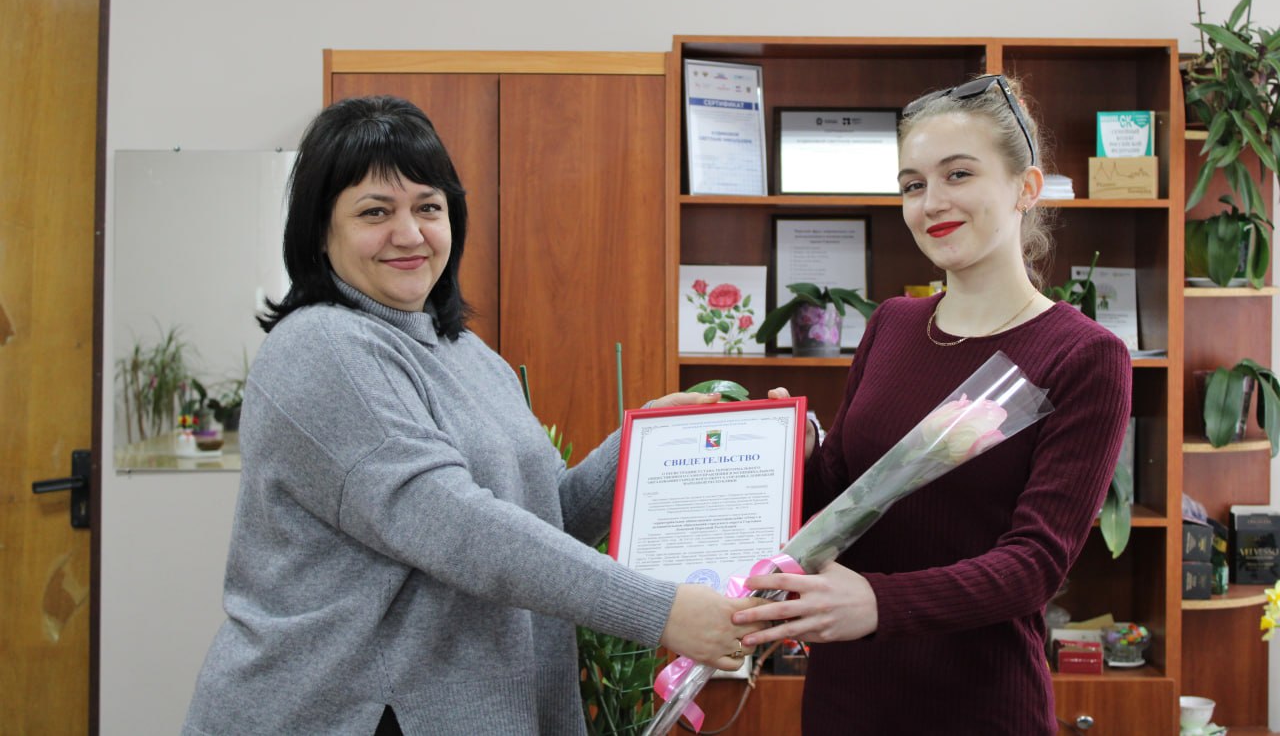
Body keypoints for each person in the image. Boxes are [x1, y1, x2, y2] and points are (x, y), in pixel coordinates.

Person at [183, 95, 763, 736]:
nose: (409, 233)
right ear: (321, 231)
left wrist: (640, 444)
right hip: (347, 711)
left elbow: (542, 516)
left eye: (427, 207)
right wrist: (660, 611)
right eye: (375, 211)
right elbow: (459, 528)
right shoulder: (321, 346)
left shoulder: (465, 353)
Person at [735, 75, 1132, 735]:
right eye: (913, 184)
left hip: (979, 708)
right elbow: (843, 501)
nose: (932, 202)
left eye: (958, 174)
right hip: (846, 700)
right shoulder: (891, 324)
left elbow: (1034, 564)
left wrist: (878, 603)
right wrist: (799, 457)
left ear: (1026, 187)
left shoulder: (1083, 355)